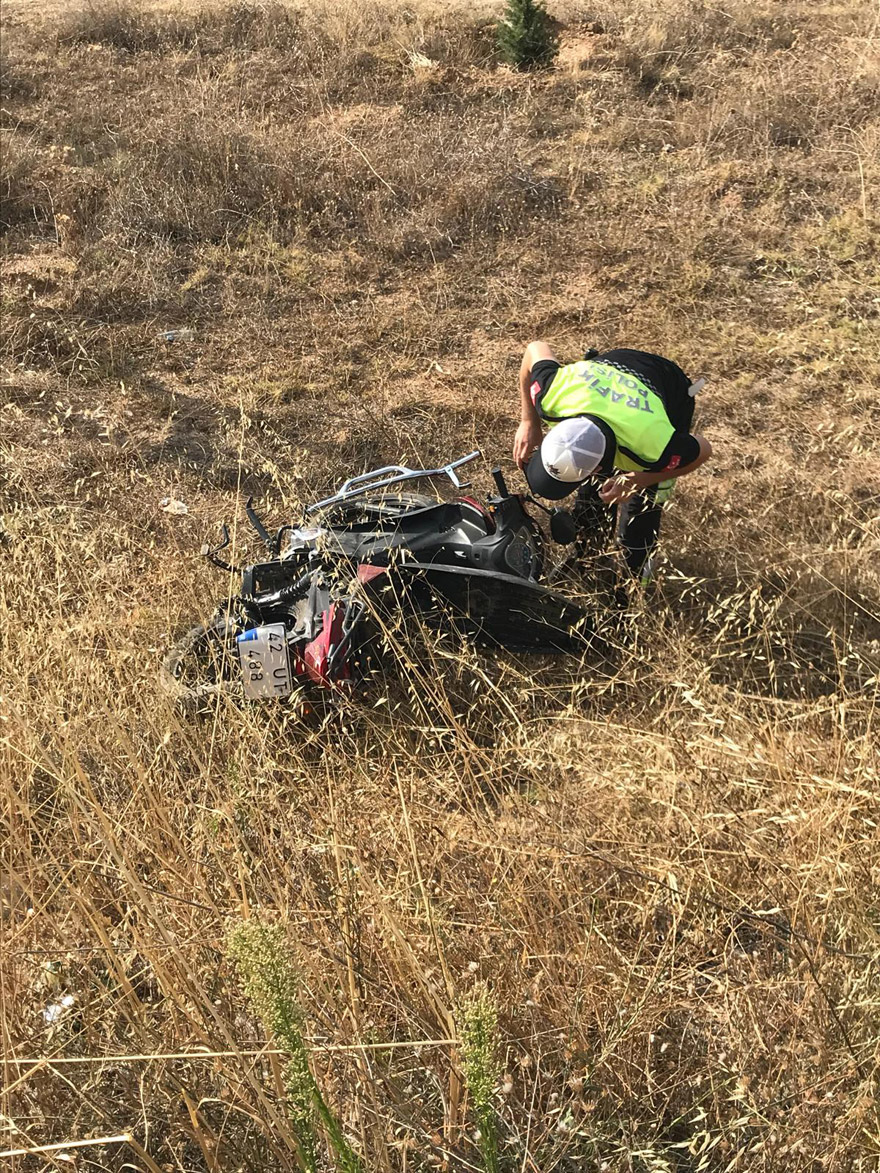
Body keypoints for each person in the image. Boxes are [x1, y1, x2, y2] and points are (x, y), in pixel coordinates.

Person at [513, 341, 712, 583]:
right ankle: (590, 553)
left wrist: (640, 479)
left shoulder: (654, 447)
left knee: (644, 509)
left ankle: (635, 577)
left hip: (670, 388)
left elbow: (703, 449)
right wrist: (529, 421)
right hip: (614, 366)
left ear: (598, 469)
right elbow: (535, 348)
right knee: (592, 500)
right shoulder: (552, 395)